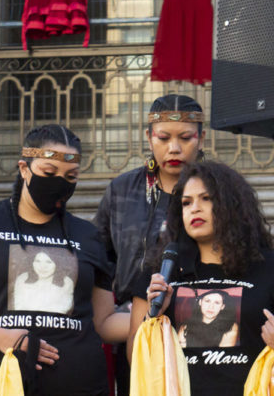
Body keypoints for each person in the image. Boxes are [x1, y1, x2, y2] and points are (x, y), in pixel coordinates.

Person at [0, 125, 127, 395]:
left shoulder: (89, 235)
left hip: (79, 385)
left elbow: (103, 322)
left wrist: (162, 310)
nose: (59, 182)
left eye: (71, 176)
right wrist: (1, 337)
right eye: (49, 172)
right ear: (24, 168)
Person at [129, 161, 274, 395]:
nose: (195, 208)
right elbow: (134, 356)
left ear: (230, 205)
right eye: (187, 203)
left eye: (206, 198)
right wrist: (153, 316)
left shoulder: (270, 268)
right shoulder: (161, 271)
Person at [93, 94, 204, 393]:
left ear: (202, 137)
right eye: (164, 137)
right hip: (133, 329)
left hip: (200, 329)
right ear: (148, 136)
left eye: (185, 137)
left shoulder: (216, 192)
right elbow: (99, 261)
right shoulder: (122, 190)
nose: (174, 148)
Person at [11, 247, 77, 315]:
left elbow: (61, 310)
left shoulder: (67, 282)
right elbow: (19, 308)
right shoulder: (22, 278)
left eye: (49, 262)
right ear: (32, 262)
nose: (42, 267)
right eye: (37, 261)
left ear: (57, 264)